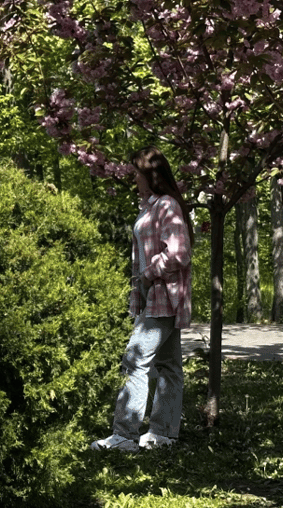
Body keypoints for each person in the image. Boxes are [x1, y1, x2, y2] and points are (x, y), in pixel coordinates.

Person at [90, 146, 193, 453]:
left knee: (135, 360)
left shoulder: (166, 206)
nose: (133, 177)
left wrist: (149, 274)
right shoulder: (150, 207)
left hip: (163, 296)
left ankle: (124, 435)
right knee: (169, 365)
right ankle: (163, 433)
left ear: (150, 175)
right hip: (154, 296)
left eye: (137, 172)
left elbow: (180, 252)